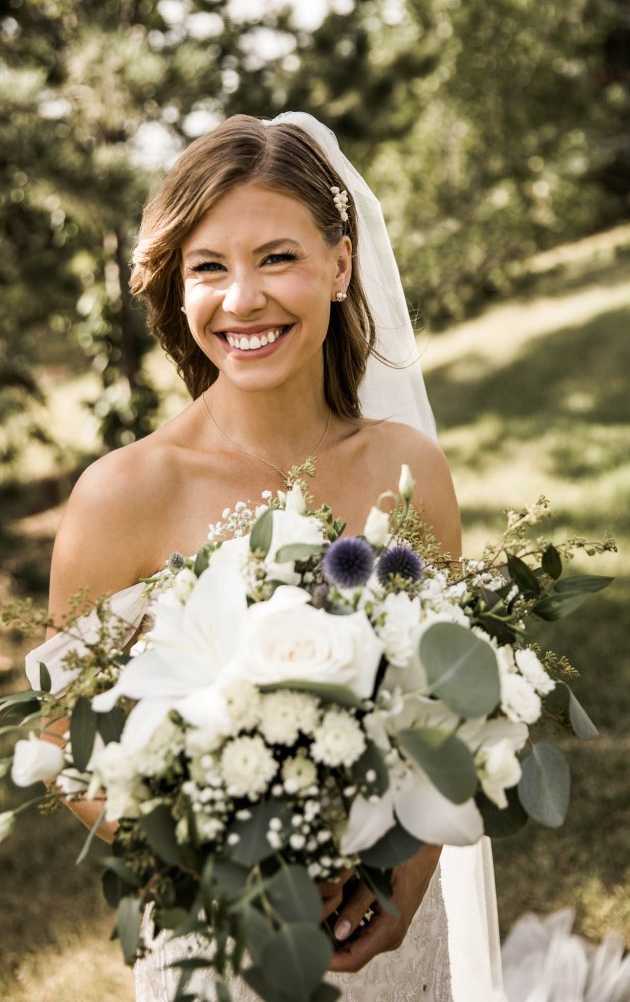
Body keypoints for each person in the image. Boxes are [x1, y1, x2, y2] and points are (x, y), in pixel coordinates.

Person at [28, 112, 508, 1001]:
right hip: (219, 938)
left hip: (390, 920)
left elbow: (450, 707)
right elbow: (61, 742)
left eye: (277, 257)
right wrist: (221, 866)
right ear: (177, 289)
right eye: (208, 267)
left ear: (339, 263)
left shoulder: (410, 470)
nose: (242, 298)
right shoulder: (124, 494)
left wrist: (405, 881)